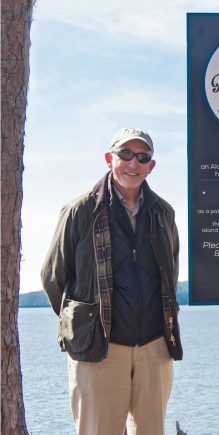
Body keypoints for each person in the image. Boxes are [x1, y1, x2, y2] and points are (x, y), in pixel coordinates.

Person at [41, 127, 183, 435]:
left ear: (151, 166)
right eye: (125, 154)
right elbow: (53, 276)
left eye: (142, 157)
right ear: (109, 159)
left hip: (155, 348)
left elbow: (170, 272)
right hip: (99, 350)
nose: (133, 164)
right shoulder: (80, 211)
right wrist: (83, 325)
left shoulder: (163, 212)